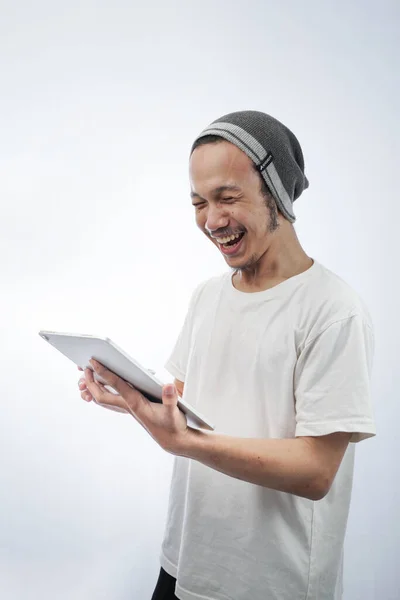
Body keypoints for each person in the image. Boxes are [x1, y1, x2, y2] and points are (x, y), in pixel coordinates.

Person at [78, 111, 376, 600]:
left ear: (276, 193)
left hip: (271, 585)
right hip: (184, 564)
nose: (212, 220)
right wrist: (129, 398)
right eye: (199, 202)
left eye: (227, 197)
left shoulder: (334, 310)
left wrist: (184, 444)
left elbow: (316, 470)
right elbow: (194, 407)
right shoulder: (208, 295)